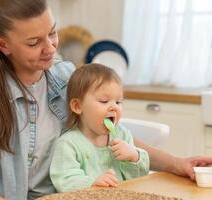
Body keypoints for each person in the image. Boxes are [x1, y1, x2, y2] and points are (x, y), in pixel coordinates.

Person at [0, 0, 212, 199]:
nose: (50, 48)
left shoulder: (64, 76)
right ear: (3, 45)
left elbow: (108, 134)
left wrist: (177, 164)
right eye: (34, 43)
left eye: (52, 33)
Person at [50, 64, 150, 192]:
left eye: (118, 102)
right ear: (77, 106)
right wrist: (92, 183)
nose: (114, 107)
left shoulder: (123, 135)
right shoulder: (68, 144)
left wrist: (134, 157)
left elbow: (138, 177)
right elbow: (65, 179)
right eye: (104, 101)